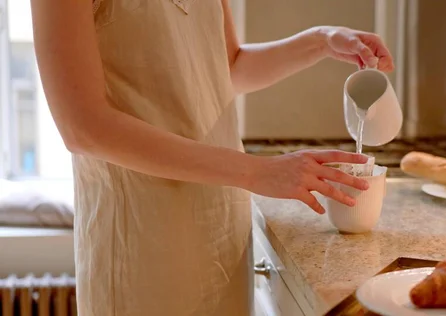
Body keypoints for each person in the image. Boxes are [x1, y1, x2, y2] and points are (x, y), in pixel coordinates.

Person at [30, 0, 394, 315]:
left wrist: (321, 40)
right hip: (141, 246)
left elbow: (229, 67)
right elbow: (84, 127)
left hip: (220, 233)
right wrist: (255, 171)